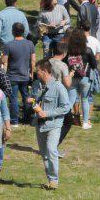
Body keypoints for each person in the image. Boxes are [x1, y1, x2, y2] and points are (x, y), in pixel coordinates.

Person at [32, 61, 69, 190]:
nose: (36, 73)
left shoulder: (58, 87)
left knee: (51, 150)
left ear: (45, 71)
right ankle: (50, 180)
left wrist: (46, 113)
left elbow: (66, 107)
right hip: (40, 124)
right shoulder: (37, 85)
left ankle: (54, 180)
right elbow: (35, 101)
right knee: (44, 154)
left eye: (38, 71)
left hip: (54, 124)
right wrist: (32, 102)